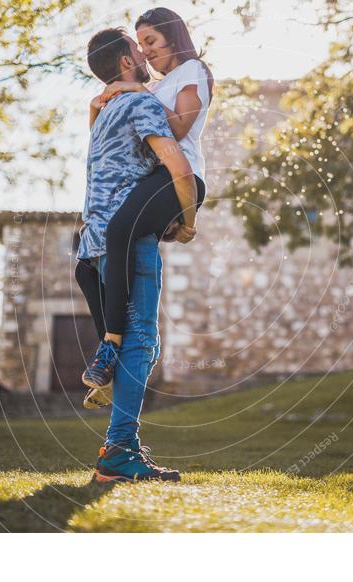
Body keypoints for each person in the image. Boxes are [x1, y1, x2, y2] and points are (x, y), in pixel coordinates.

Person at [75, 27, 198, 482]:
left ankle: (118, 440)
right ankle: (119, 451)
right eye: (137, 48)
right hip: (128, 240)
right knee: (142, 338)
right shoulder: (140, 102)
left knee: (140, 342)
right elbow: (178, 165)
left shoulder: (104, 111)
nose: (144, 54)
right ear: (126, 62)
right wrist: (188, 221)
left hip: (94, 244)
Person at [81, 7, 214, 395]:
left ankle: (113, 343)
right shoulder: (154, 87)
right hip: (154, 180)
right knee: (86, 265)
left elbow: (179, 126)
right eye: (141, 46)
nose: (147, 52)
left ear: (173, 37)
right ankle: (107, 354)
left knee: (121, 229)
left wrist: (136, 90)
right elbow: (115, 141)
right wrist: (97, 108)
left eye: (152, 42)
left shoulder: (194, 72)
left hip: (180, 176)